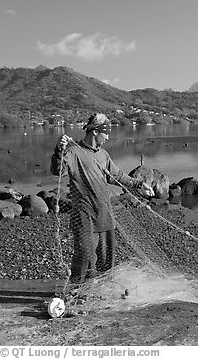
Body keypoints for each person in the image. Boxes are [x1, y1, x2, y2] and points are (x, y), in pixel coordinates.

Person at [51, 113, 154, 284]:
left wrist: (139, 184)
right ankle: (77, 289)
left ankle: (102, 287)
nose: (108, 137)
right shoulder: (74, 152)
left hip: (104, 212)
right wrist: (58, 150)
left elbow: (117, 175)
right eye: (105, 133)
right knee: (85, 254)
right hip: (84, 214)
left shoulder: (103, 155)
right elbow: (57, 170)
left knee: (107, 255)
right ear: (95, 132)